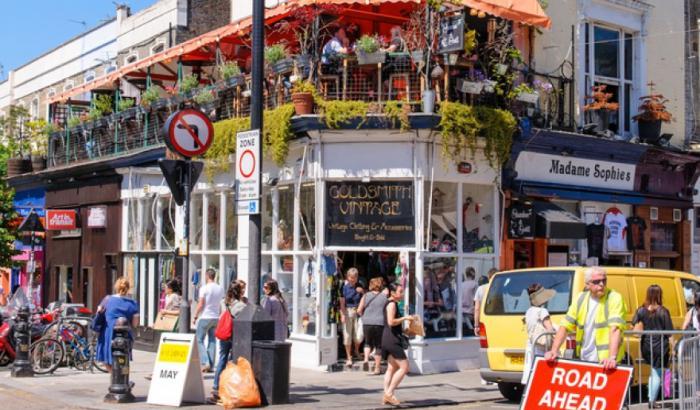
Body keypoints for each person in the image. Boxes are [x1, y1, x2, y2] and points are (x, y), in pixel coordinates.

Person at [545, 266, 627, 371]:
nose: (602, 284)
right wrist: (554, 350)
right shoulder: (581, 298)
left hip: (606, 362)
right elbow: (565, 325)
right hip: (584, 360)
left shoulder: (614, 297)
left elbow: (615, 329)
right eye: (597, 282)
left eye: (604, 280)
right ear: (587, 284)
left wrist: (612, 357)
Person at [632, 284, 674, 409]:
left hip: (646, 346)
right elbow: (669, 332)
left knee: (653, 372)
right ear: (659, 295)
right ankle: (652, 401)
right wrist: (675, 348)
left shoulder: (641, 309)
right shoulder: (663, 311)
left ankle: (651, 398)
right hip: (660, 346)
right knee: (657, 373)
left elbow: (633, 324)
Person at [209, 280, 248, 404]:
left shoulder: (223, 302)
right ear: (239, 291)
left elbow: (221, 315)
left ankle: (216, 386)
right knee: (232, 361)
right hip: (234, 335)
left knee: (222, 358)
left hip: (224, 334)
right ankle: (229, 386)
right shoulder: (241, 305)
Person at [95, 277, 140, 373]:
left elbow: (99, 312)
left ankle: (114, 377)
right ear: (128, 288)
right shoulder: (133, 303)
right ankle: (123, 379)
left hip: (108, 333)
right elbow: (135, 324)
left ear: (116, 287)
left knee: (106, 360)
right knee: (123, 359)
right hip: (125, 335)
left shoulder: (107, 299)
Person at [382, 283, 414, 406]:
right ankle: (389, 393)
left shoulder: (389, 303)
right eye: (400, 291)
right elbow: (391, 322)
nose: (402, 294)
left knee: (392, 368)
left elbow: (393, 325)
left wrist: (406, 330)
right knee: (405, 368)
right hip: (392, 340)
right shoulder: (392, 304)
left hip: (388, 338)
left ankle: (386, 395)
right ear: (393, 293)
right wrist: (405, 318)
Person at [521, 283, 555, 386]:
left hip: (532, 344)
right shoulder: (542, 311)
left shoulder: (529, 311)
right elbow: (550, 329)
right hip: (542, 346)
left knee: (532, 371)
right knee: (543, 374)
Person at [193, 268, 224, 373]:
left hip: (205, 316)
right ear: (214, 276)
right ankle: (210, 365)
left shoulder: (204, 288)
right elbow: (220, 303)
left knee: (199, 340)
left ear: (207, 276)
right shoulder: (220, 288)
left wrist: (195, 316)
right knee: (212, 340)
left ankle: (205, 361)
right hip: (216, 317)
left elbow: (201, 304)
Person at [358, 277, 387, 374]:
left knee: (367, 342)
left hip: (367, 322)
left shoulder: (366, 295)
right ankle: (377, 368)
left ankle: (366, 359)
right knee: (378, 346)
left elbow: (359, 310)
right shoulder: (384, 297)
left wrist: (364, 316)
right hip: (379, 322)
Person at [340, 267, 364, 366]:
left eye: (354, 277)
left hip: (358, 312)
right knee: (347, 335)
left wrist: (362, 291)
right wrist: (342, 314)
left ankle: (356, 351)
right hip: (348, 311)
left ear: (357, 277)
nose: (352, 279)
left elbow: (366, 297)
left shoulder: (360, 286)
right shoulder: (344, 287)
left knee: (358, 335)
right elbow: (342, 302)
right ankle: (349, 357)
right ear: (347, 277)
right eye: (350, 277)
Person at [474, 268, 498, 335]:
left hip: (484, 321)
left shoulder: (481, 289)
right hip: (498, 321)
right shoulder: (501, 288)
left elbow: (477, 309)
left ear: (488, 277)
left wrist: (476, 326)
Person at [461, 268, 478, 336]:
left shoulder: (461, 284)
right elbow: (477, 299)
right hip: (471, 312)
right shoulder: (475, 284)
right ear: (472, 273)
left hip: (461, 313)